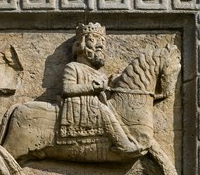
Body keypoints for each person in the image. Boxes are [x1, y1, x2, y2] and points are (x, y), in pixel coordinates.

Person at [59, 22, 141, 154]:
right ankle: (123, 145)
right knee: (104, 111)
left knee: (113, 109)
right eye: (93, 40)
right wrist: (91, 87)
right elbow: (67, 88)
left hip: (95, 104)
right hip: (80, 106)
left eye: (102, 41)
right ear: (81, 45)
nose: (100, 45)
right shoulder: (73, 67)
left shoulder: (100, 74)